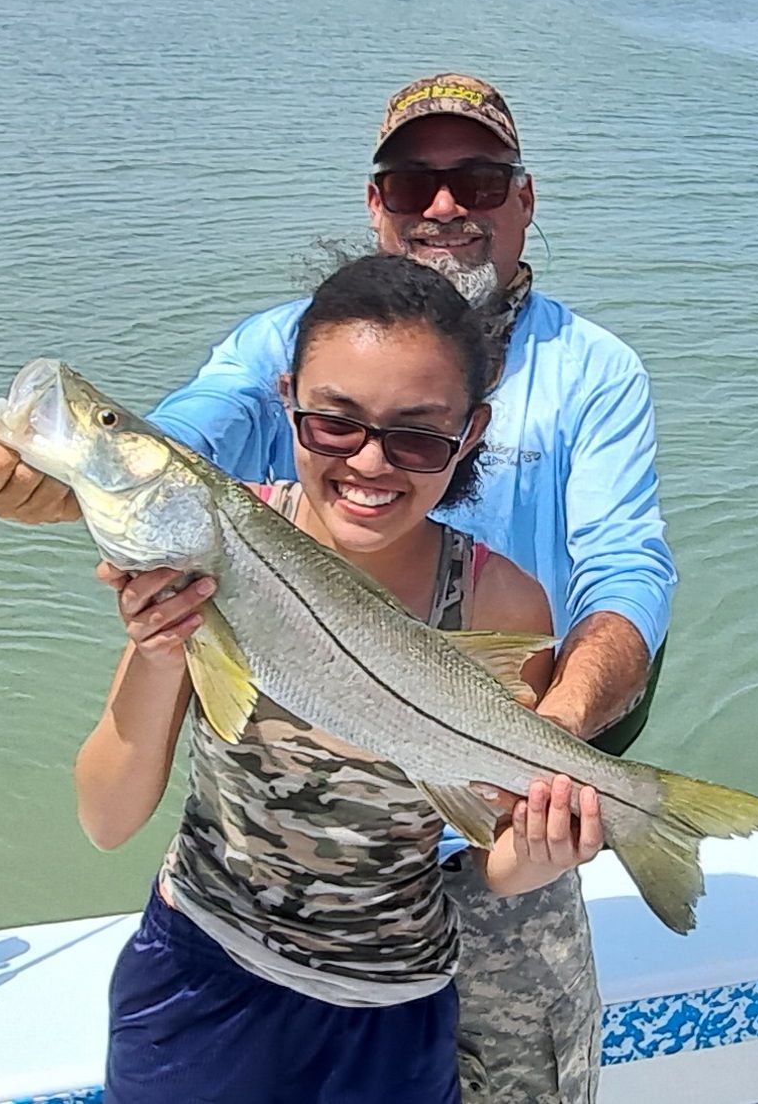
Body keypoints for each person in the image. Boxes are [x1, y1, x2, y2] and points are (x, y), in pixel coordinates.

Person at [0, 73, 678, 1103]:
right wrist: (70, 476)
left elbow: (623, 567)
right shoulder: (286, 340)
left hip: (482, 811)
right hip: (249, 891)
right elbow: (191, 441)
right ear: (372, 200)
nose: (443, 207)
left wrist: (542, 751)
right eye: (410, 180)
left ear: (522, 198)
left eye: (475, 178)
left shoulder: (594, 371)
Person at [79, 254, 603, 1104]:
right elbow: (106, 817)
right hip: (197, 978)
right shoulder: (216, 547)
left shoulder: (499, 598)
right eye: (336, 422)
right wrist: (157, 649)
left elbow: (489, 857)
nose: (368, 462)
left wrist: (540, 854)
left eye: (417, 433)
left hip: (392, 1014)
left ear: (470, 434)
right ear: (289, 399)